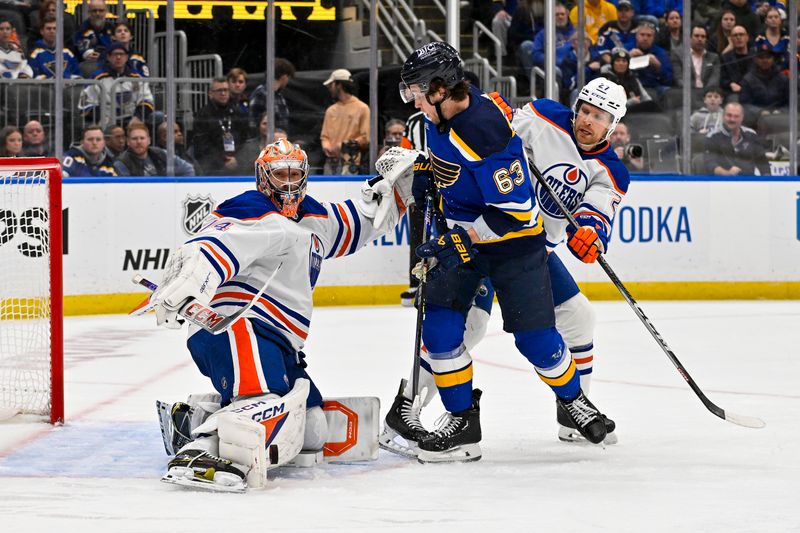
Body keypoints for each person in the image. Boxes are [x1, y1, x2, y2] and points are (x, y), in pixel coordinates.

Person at [383, 42, 612, 464]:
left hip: (514, 247)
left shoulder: (483, 132)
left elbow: (520, 214)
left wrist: (463, 237)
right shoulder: (439, 116)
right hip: (465, 241)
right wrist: (429, 174)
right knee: (441, 331)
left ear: (439, 87)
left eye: (417, 89)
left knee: (537, 341)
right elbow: (452, 165)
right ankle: (462, 424)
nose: (413, 98)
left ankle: (574, 399)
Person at [147, 139, 417, 491]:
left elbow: (362, 222)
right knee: (260, 405)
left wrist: (398, 189)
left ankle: (195, 419)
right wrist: (192, 279)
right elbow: (215, 243)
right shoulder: (251, 208)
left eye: (294, 174)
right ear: (263, 177)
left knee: (313, 429)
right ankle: (200, 452)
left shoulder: (314, 218)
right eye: (279, 174)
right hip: (237, 328)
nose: (288, 183)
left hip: (279, 341)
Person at [79, 42, 154, 127]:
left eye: (121, 54)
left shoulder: (137, 78)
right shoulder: (97, 78)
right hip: (106, 123)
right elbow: (87, 103)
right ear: (108, 57)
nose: (118, 57)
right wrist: (101, 118)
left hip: (132, 122)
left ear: (127, 57)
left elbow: (147, 100)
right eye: (115, 54)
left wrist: (137, 117)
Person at [191, 77, 249, 176]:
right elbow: (202, 145)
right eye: (219, 90)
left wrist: (238, 159)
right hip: (212, 167)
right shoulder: (203, 114)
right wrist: (222, 159)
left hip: (238, 165)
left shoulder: (237, 113)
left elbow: (245, 139)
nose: (223, 93)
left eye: (225, 90)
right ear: (211, 93)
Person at [319, 68, 370, 175]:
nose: (330, 89)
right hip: (330, 162)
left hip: (351, 163)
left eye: (331, 85)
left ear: (339, 85)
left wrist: (343, 145)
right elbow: (324, 136)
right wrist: (326, 146)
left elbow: (365, 138)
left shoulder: (362, 108)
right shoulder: (331, 110)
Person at [705, 101, 770, 175]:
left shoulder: (751, 135)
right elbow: (710, 164)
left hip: (749, 183)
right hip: (722, 182)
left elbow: (762, 162)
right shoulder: (713, 136)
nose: (732, 119)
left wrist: (767, 179)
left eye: (736, 116)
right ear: (723, 116)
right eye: (729, 115)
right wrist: (727, 173)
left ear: (742, 118)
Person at [114, 122, 194, 176]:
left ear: (149, 140)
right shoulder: (121, 163)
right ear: (128, 142)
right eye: (134, 139)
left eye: (142, 138)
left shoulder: (161, 154)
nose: (139, 142)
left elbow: (188, 170)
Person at [739, 45, 789, 123]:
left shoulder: (783, 78)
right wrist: (760, 112)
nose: (765, 60)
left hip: (780, 117)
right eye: (761, 57)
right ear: (755, 59)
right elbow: (744, 104)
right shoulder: (748, 79)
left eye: (768, 57)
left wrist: (781, 111)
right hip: (756, 119)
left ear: (773, 59)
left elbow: (790, 102)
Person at [673, 25, 721, 104]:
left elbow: (714, 80)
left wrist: (705, 93)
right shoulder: (678, 55)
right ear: (690, 38)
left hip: (707, 95)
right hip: (687, 93)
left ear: (706, 39)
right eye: (696, 36)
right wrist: (693, 91)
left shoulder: (714, 57)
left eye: (703, 37)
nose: (700, 39)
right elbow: (679, 79)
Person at [249, 57, 295, 133]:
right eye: (288, 78)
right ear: (284, 77)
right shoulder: (261, 94)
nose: (287, 82)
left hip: (280, 140)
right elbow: (253, 123)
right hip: (266, 142)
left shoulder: (279, 96)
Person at [28, 15, 82, 79]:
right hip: (45, 88)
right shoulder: (35, 55)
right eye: (48, 28)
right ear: (42, 31)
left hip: (68, 88)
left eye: (55, 28)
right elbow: (33, 78)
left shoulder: (67, 53)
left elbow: (78, 76)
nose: (52, 31)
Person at [629, 21, 673, 98]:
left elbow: (669, 80)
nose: (645, 38)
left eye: (649, 35)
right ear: (636, 36)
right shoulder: (628, 49)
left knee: (669, 92)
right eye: (642, 35)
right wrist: (627, 58)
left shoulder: (660, 53)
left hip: (654, 88)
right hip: (630, 87)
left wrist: (658, 66)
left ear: (653, 38)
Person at [72, 0, 114, 77]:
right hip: (89, 67)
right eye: (94, 11)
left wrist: (102, 54)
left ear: (106, 12)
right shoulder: (82, 30)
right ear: (89, 12)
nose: (98, 14)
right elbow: (89, 55)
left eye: (101, 10)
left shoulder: (112, 28)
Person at [720, 25, 754, 98]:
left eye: (741, 34)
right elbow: (722, 79)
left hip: (753, 92)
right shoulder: (725, 58)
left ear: (747, 37)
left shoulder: (756, 56)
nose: (738, 37)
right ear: (731, 39)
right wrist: (730, 84)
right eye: (735, 35)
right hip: (733, 94)